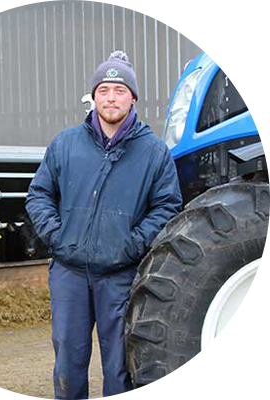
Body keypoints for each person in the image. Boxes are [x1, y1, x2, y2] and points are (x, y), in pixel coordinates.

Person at [25, 50, 182, 400]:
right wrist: (57, 236)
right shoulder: (65, 144)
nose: (111, 97)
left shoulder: (154, 152)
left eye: (120, 90)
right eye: (104, 90)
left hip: (120, 275)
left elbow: (167, 206)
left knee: (119, 367)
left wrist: (131, 245)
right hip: (69, 273)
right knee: (68, 363)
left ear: (133, 97)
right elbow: (39, 196)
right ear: (94, 96)